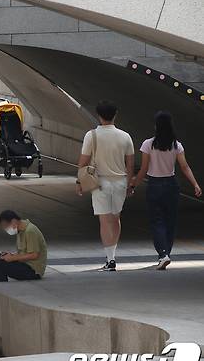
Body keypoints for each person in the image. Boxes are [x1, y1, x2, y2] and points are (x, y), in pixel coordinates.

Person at [130, 112, 201, 270]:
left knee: (157, 220)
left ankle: (163, 254)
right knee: (171, 221)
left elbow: (144, 169)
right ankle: (166, 253)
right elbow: (184, 167)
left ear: (156, 126)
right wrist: (195, 184)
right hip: (171, 185)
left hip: (154, 185)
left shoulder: (148, 144)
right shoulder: (176, 145)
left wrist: (133, 184)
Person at [77, 101, 134, 272]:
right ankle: (113, 255)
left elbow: (83, 161)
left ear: (99, 116)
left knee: (104, 220)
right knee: (115, 219)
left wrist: (79, 181)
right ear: (115, 115)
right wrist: (130, 184)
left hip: (100, 183)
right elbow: (130, 165)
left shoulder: (91, 135)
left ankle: (110, 260)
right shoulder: (125, 136)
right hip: (120, 182)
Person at [0, 210, 47, 282]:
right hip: (24, 264)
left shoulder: (30, 231)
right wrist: (10, 255)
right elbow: (23, 252)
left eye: (6, 226)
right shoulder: (20, 231)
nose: (6, 229)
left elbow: (34, 255)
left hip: (33, 270)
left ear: (13, 221)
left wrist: (12, 258)